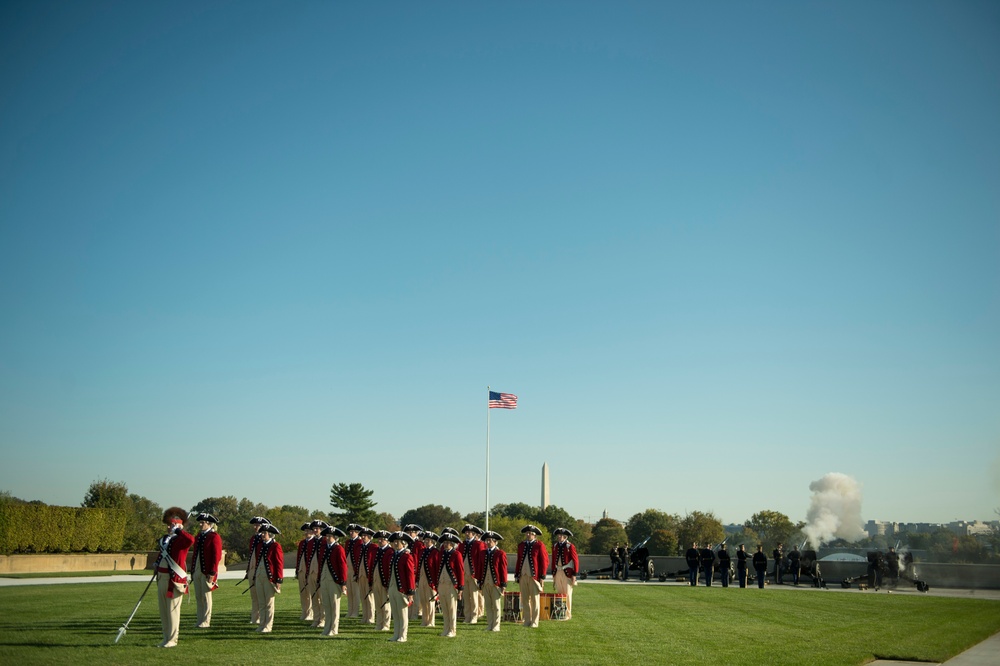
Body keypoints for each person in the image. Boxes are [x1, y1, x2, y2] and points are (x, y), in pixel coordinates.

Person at [156, 507, 194, 648]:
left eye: (171, 524)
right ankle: (166, 638)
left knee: (172, 611)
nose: (168, 527)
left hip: (174, 579)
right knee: (164, 611)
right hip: (162, 577)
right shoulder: (165, 539)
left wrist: (178, 530)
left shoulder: (181, 539)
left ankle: (172, 639)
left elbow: (190, 540)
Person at [190, 512, 222, 628]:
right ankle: (199, 619)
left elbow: (216, 556)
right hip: (198, 570)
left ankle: (206, 620)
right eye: (200, 522)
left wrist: (212, 572)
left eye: (203, 522)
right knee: (198, 597)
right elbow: (195, 554)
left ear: (209, 524)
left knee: (206, 597)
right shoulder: (199, 536)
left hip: (207, 571)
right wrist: (193, 570)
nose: (200, 524)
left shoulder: (214, 537)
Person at [317, 525, 348, 637]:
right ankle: (327, 627)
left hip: (334, 581)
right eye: (327, 536)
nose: (327, 538)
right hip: (324, 580)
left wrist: (343, 583)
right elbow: (321, 565)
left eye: (330, 536)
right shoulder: (324, 548)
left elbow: (343, 566)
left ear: (335, 538)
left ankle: (334, 629)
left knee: (334, 606)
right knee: (326, 605)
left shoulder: (339, 549)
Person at [516, 525, 549, 628]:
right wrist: (517, 574)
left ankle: (535, 622)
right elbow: (519, 560)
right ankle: (527, 620)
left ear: (535, 535)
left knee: (535, 600)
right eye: (527, 533)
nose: (528, 535)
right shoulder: (521, 545)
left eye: (530, 533)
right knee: (525, 600)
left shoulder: (539, 545)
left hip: (534, 577)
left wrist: (542, 577)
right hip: (523, 575)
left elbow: (544, 562)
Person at [386, 531, 416, 643]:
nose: (395, 544)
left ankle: (403, 635)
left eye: (398, 542)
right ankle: (396, 634)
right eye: (394, 542)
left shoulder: (406, 556)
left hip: (402, 589)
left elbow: (410, 575)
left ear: (404, 544)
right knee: (396, 613)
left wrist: (410, 592)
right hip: (393, 587)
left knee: (403, 614)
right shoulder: (394, 555)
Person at [475, 530, 508, 632]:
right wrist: (479, 581)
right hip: (485, 583)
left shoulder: (500, 553)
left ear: (495, 542)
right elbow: (479, 568)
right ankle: (490, 624)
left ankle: (496, 625)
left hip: (496, 583)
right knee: (488, 606)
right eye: (487, 540)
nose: (488, 542)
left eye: (490, 540)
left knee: (496, 606)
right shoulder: (482, 553)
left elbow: (503, 569)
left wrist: (503, 584)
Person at [254, 524, 284, 633]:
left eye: (264, 533)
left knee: (269, 603)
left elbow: (279, 564)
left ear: (270, 534)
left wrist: (279, 579)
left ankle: (268, 625)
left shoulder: (276, 546)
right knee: (261, 603)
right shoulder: (259, 545)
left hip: (269, 578)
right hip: (259, 576)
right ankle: (261, 624)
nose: (262, 535)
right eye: (262, 533)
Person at [436, 532, 465, 637]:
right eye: (445, 542)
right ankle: (446, 629)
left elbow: (460, 571)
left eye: (448, 542)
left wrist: (460, 587)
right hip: (442, 584)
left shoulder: (457, 554)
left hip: (451, 585)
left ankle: (452, 630)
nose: (446, 544)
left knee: (452, 609)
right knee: (444, 608)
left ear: (453, 544)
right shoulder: (442, 554)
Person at [245, 516, 271, 624]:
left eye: (259, 525)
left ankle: (261, 617)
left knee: (262, 596)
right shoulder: (253, 538)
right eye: (255, 525)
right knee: (254, 595)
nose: (256, 527)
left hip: (261, 570)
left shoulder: (265, 538)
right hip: (252, 568)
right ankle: (255, 617)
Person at [550, 527, 579, 619]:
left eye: (561, 535)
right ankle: (560, 612)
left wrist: (574, 574)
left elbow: (575, 560)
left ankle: (567, 614)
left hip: (567, 572)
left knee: (567, 593)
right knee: (560, 593)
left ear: (565, 537)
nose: (559, 537)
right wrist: (553, 573)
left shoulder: (570, 546)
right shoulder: (555, 546)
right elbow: (553, 560)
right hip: (558, 571)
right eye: (558, 535)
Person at [459, 524, 485, 623]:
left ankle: (474, 616)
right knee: (466, 596)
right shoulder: (462, 544)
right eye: (466, 532)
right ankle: (467, 616)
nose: (467, 534)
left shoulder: (479, 544)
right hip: (464, 574)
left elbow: (481, 561)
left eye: (469, 532)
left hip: (474, 574)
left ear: (473, 533)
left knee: (474, 596)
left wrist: (479, 575)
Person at [306, 520, 329, 629]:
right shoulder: (310, 542)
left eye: (317, 529)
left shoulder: (325, 541)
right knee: (314, 597)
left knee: (322, 597)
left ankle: (323, 620)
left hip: (321, 572)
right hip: (311, 572)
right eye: (314, 528)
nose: (315, 530)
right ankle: (316, 618)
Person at [416, 531, 440, 628]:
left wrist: (435, 583)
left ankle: (431, 621)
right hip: (422, 579)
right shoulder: (422, 551)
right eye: (425, 540)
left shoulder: (435, 552)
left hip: (430, 580)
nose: (426, 542)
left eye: (428, 540)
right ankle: (424, 620)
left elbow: (436, 568)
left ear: (433, 542)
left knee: (430, 601)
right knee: (423, 600)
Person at [370, 530, 393, 631]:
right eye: (379, 539)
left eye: (383, 539)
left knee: (385, 605)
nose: (380, 541)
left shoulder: (390, 551)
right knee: (378, 604)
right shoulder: (377, 551)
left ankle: (386, 624)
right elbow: (372, 566)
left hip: (384, 582)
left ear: (387, 541)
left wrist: (388, 584)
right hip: (376, 581)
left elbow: (389, 569)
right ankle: (379, 624)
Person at [295, 522, 316, 622]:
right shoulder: (303, 543)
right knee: (303, 593)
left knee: (310, 593)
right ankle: (305, 611)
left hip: (310, 571)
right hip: (301, 570)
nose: (306, 532)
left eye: (308, 530)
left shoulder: (314, 542)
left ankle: (310, 613)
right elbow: (299, 557)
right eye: (305, 531)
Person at [403, 524, 425, 621]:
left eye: (412, 532)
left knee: (415, 596)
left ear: (416, 533)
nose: (410, 534)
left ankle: (414, 614)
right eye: (408, 532)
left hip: (415, 572)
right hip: (405, 572)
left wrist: (418, 574)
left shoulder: (419, 544)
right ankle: (407, 614)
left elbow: (419, 560)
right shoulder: (405, 543)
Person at [357, 527, 376, 624]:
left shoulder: (374, 547)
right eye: (362, 536)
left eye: (365, 536)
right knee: (363, 596)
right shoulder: (360, 547)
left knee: (369, 598)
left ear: (369, 537)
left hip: (368, 575)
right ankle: (365, 616)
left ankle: (371, 617)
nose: (362, 537)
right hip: (361, 575)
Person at [344, 524, 363, 618]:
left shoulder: (360, 542)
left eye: (353, 531)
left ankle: (355, 612)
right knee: (350, 592)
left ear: (357, 532)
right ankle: (350, 610)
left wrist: (357, 572)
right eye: (350, 531)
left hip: (355, 570)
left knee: (356, 593)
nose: (351, 533)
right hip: (348, 570)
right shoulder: (348, 542)